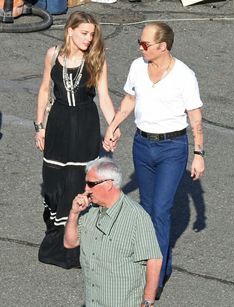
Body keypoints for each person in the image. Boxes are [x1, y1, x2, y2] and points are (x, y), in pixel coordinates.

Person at [103, 22, 205, 299]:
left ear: (163, 47)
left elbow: (195, 116)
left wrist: (198, 154)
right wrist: (113, 126)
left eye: (145, 44)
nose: (140, 47)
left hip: (172, 148)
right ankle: (162, 265)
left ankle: (153, 281)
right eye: (140, 41)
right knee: (147, 212)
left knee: (160, 210)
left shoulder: (184, 75)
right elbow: (128, 100)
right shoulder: (138, 67)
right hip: (142, 145)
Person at [34, 12, 119, 269]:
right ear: (70, 30)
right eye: (84, 33)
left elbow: (103, 97)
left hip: (84, 124)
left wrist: (113, 126)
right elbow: (44, 90)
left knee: (76, 181)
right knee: (53, 181)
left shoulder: (95, 59)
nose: (88, 38)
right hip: (58, 123)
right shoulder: (52, 54)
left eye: (92, 34)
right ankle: (56, 234)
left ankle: (74, 246)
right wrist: (40, 126)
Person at [64, 157, 162, 307]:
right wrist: (74, 213)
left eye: (91, 184)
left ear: (108, 184)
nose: (86, 189)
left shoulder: (136, 217)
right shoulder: (89, 211)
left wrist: (148, 302)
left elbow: (154, 260)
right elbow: (70, 243)